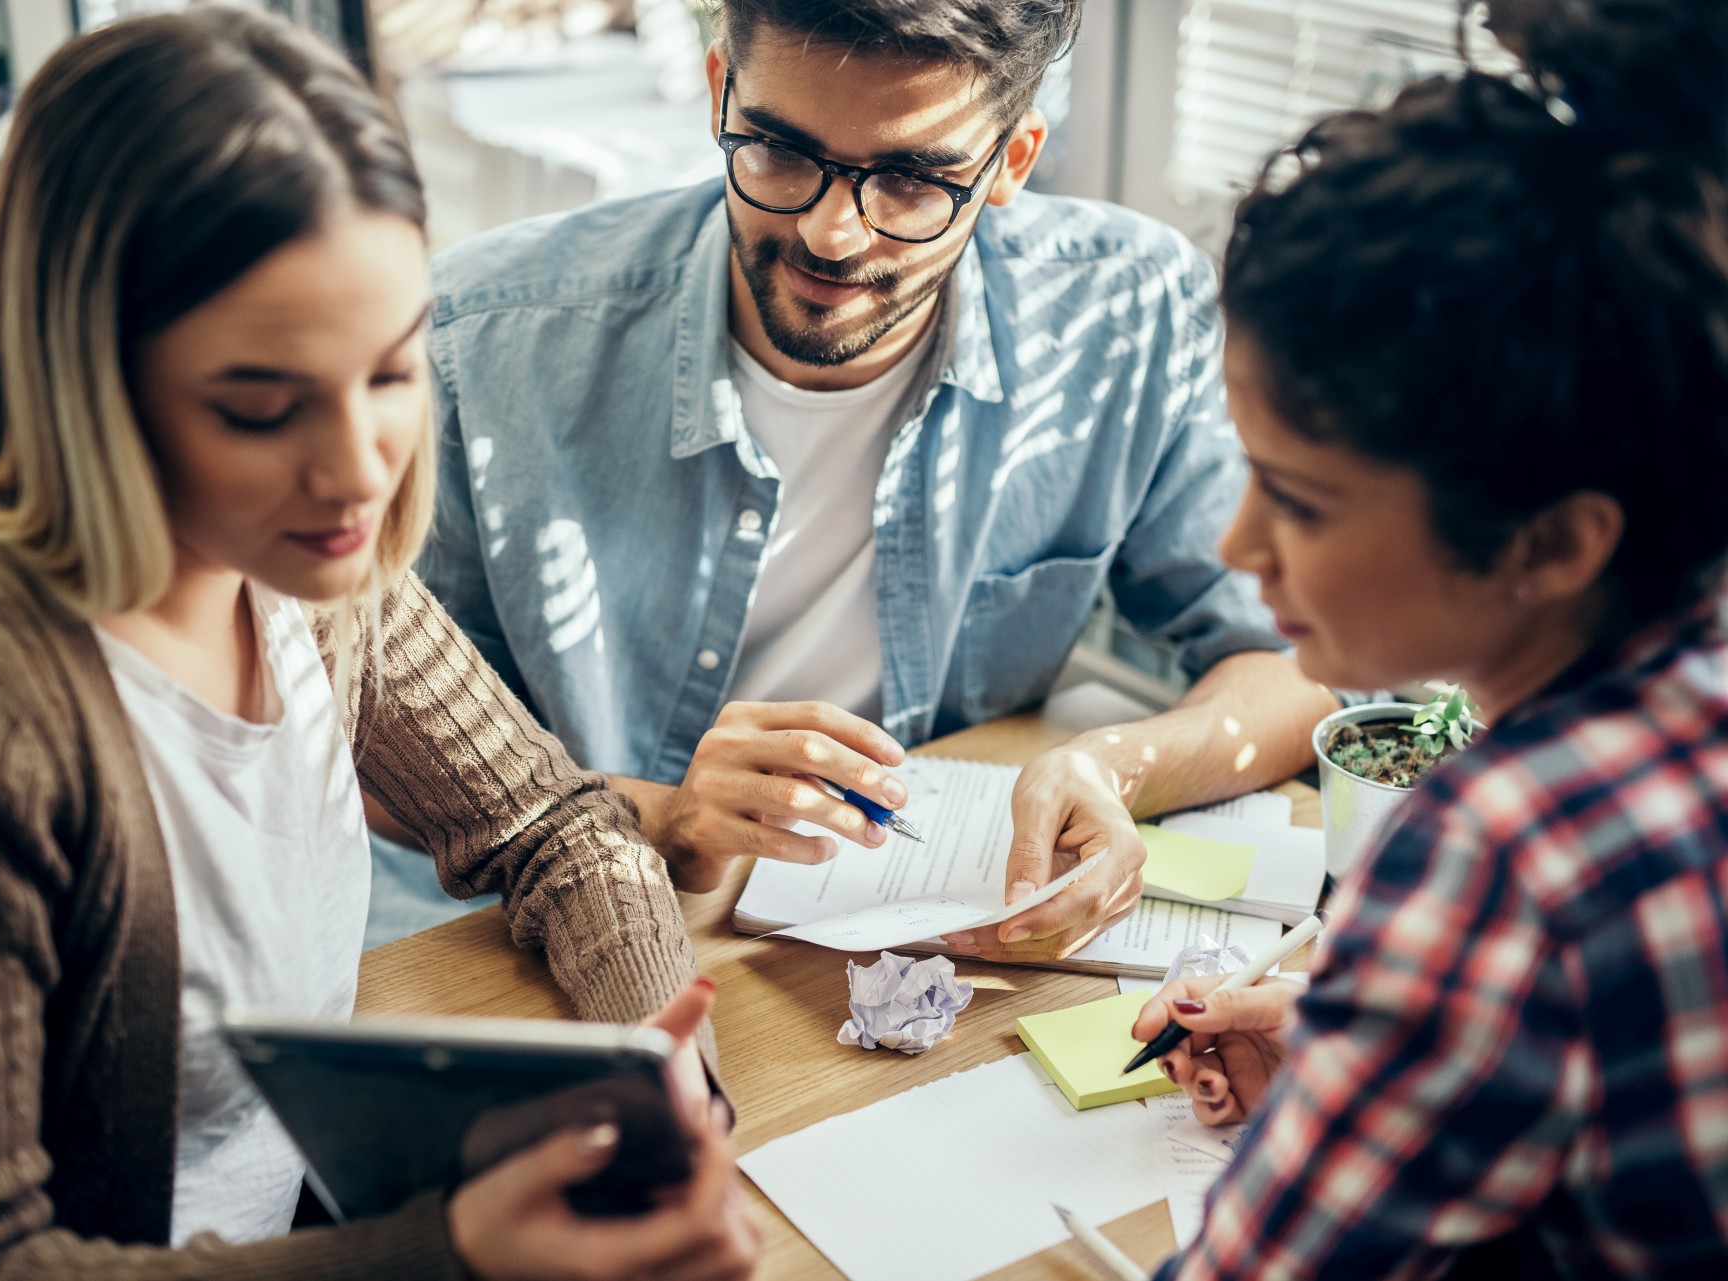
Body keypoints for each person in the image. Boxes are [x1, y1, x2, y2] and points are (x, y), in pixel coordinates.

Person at [0, 11, 757, 1279]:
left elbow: (558, 825)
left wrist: (656, 1070)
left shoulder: (310, 573)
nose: (360, 470)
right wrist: (439, 1256)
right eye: (262, 406)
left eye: (390, 370)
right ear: (88, 374)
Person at [419, 0, 1340, 963]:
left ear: (1011, 164)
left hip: (900, 939)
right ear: (719, 91)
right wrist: (668, 816)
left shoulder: (1124, 314)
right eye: (778, 150)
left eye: (909, 180)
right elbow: (380, 761)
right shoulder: (489, 339)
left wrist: (1116, 765)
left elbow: (1297, 662)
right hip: (556, 933)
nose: (831, 235)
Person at [1129, 31, 1728, 1277]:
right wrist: (1401, 1055)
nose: (1242, 544)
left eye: (1298, 500)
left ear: (1553, 541)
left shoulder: (1506, 848)